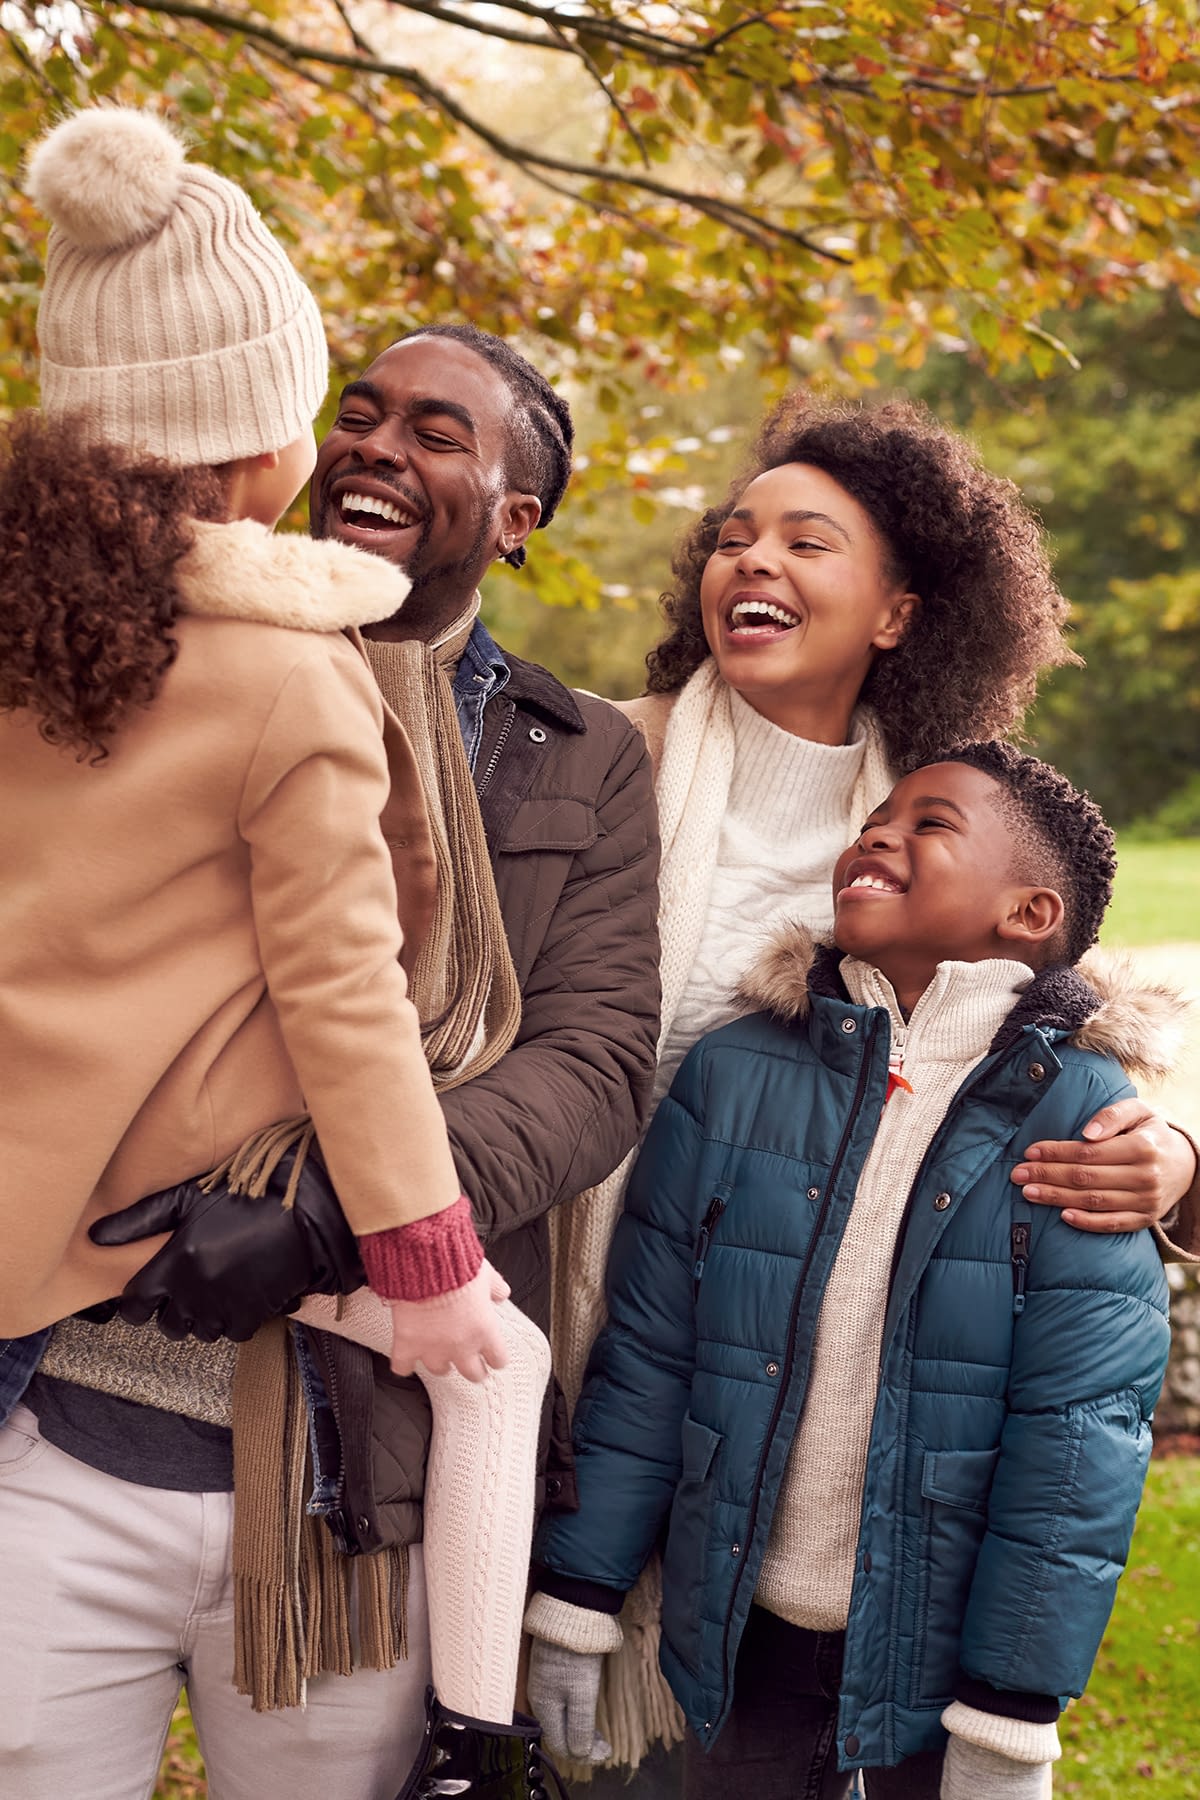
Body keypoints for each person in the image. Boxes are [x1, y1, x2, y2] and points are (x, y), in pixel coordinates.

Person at [12, 295, 661, 1799]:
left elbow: (591, 1065)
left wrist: (322, 1218)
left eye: (437, 433)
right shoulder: (122, 652)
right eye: (358, 413)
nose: (375, 445)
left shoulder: (578, 758)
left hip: (348, 1476)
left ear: (514, 518)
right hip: (64, 1417)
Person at [539, 394, 1199, 1786]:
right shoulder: (604, 758)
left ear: (900, 612)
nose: (752, 562)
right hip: (560, 1329)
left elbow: (1066, 1012)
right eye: (732, 537)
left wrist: (1179, 1154)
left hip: (775, 1386)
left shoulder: (926, 834)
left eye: (805, 540)